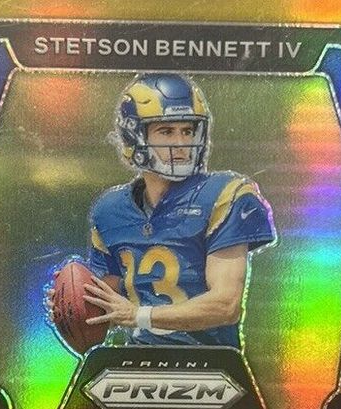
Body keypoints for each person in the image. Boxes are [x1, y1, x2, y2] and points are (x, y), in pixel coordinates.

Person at [83, 72, 276, 348]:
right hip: (134, 363)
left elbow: (225, 305)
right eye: (166, 131)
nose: (182, 144)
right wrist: (73, 301)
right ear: (134, 137)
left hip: (209, 364)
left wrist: (140, 316)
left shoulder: (224, 194)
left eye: (187, 130)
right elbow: (108, 307)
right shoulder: (110, 210)